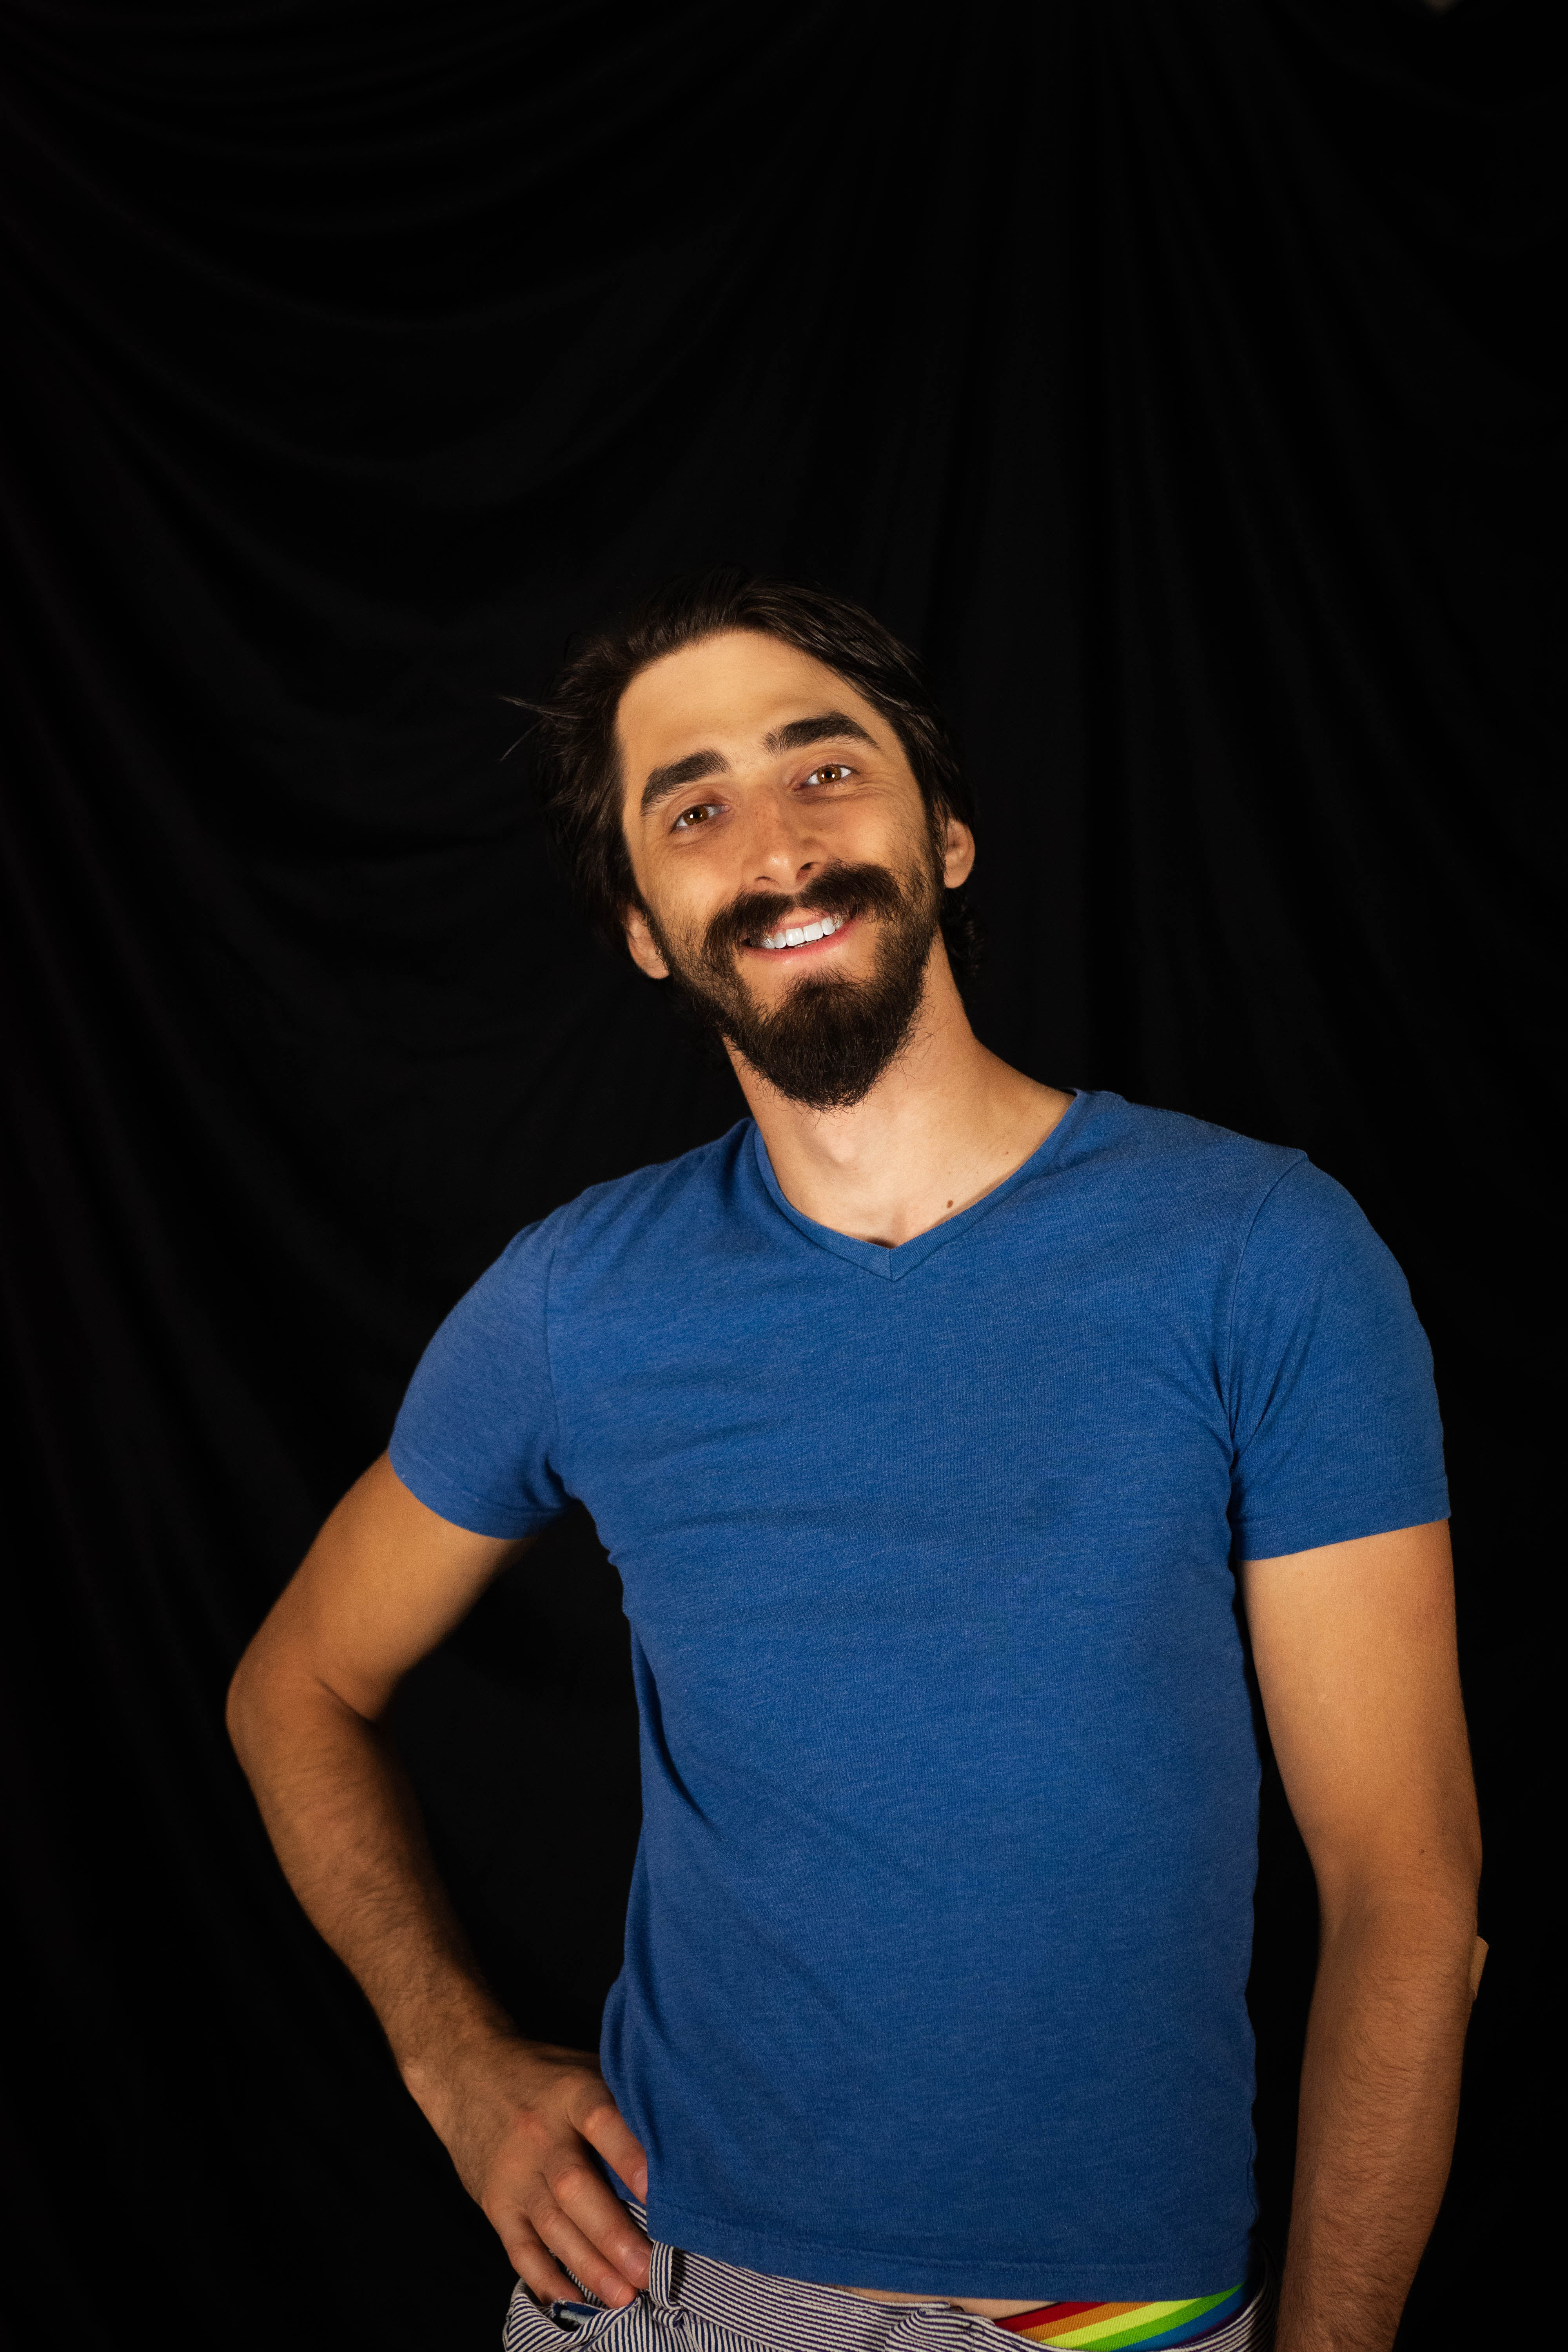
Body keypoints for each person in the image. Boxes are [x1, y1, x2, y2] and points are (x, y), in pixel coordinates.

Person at [228, 573, 1483, 2352]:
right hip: (666, 2299)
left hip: (1090, 2324)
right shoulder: (580, 1299)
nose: (780, 847)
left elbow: (1407, 1892)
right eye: (696, 807)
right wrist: (450, 2060)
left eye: (826, 771)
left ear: (947, 834)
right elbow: (296, 1685)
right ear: (645, 926)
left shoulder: (1259, 1253)